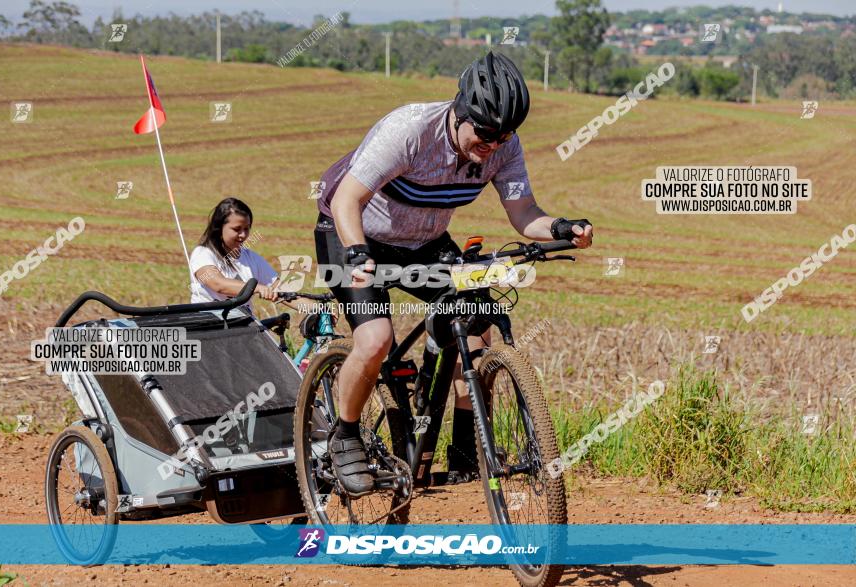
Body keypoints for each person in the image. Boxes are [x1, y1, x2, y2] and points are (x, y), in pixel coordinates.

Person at [313, 51, 594, 495]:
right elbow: (348, 198)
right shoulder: (409, 131)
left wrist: (560, 227)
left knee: (479, 318)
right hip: (353, 231)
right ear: (461, 112)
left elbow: (523, 213)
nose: (494, 144)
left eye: (504, 135)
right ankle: (345, 438)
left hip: (424, 244)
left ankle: (465, 449)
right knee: (375, 341)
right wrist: (354, 252)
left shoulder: (502, 148)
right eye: (485, 133)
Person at [190, 197, 281, 311]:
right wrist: (257, 288)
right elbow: (219, 285)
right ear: (219, 228)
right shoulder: (203, 254)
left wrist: (308, 308)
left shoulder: (252, 259)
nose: (243, 235)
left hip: (244, 323)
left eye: (247, 229)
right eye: (237, 229)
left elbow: (282, 289)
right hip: (210, 323)